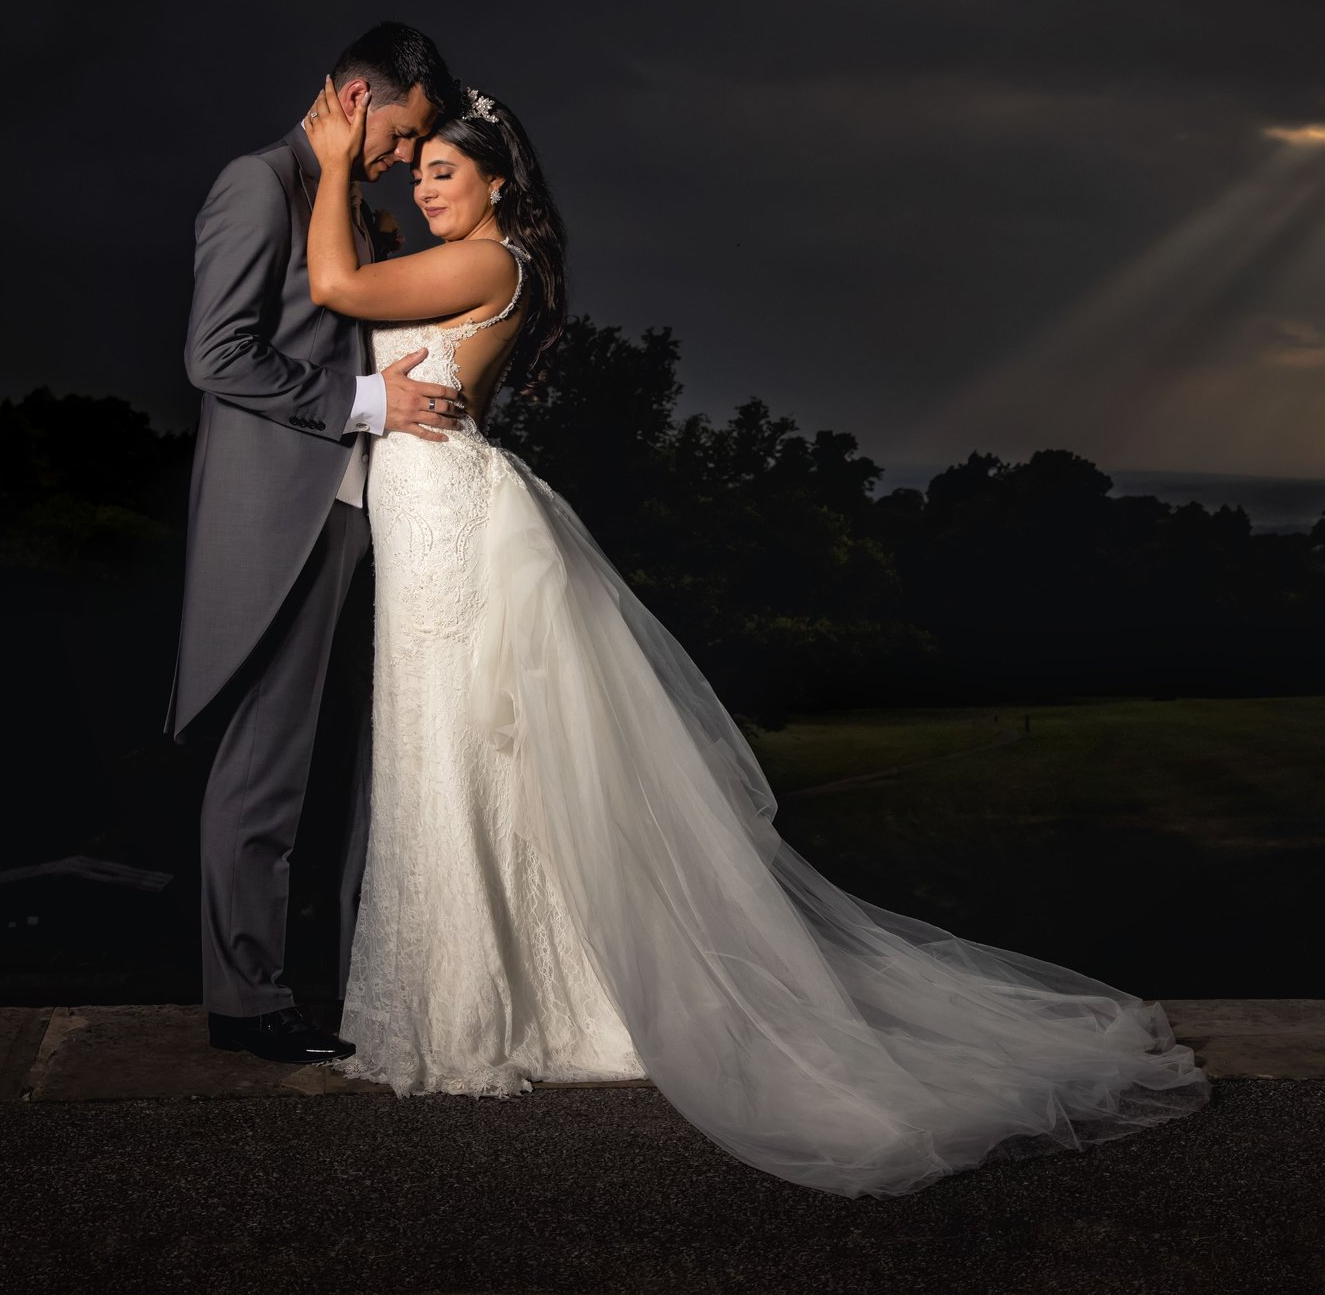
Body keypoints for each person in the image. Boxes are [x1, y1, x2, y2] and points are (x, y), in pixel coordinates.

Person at [296, 77, 1209, 1198]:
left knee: (458, 749)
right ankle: (500, 994)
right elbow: (365, 300)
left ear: (498, 184)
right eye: (419, 170)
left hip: (447, 521)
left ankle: (486, 1011)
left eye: (445, 173)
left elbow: (336, 282)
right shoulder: (460, 256)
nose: (425, 188)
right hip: (425, 510)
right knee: (451, 752)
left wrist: (339, 156)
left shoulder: (493, 264)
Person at [169, 23, 473, 1065]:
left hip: (364, 518)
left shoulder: (352, 200)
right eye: (401, 132)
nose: (401, 157)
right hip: (284, 519)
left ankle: (350, 990)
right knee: (263, 767)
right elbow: (215, 357)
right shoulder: (259, 184)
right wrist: (365, 403)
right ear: (354, 98)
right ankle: (245, 1002)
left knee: (350, 765)